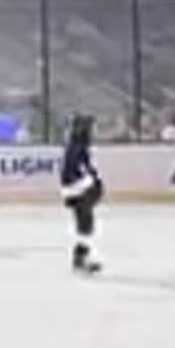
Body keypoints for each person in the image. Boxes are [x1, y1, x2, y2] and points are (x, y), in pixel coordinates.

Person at [61, 114, 103, 273]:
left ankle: (81, 257)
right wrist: (91, 182)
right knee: (86, 223)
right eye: (88, 128)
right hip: (77, 191)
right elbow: (76, 171)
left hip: (75, 190)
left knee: (86, 224)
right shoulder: (77, 148)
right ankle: (80, 258)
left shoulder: (76, 146)